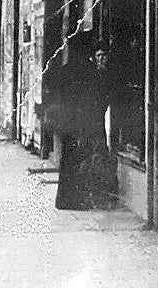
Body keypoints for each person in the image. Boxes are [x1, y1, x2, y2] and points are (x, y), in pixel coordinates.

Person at [52, 37, 118, 210]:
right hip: (83, 123)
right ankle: (78, 200)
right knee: (81, 160)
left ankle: (65, 200)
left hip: (69, 123)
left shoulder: (66, 70)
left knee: (68, 160)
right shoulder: (88, 72)